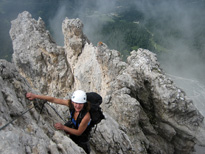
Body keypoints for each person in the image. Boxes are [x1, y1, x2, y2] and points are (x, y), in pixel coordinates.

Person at [26, 90, 92, 154]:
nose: (77, 106)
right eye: (76, 103)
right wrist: (35, 96)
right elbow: (53, 99)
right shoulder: (70, 104)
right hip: (74, 126)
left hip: (82, 136)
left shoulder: (86, 116)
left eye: (80, 104)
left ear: (84, 103)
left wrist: (63, 127)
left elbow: (78, 132)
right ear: (72, 102)